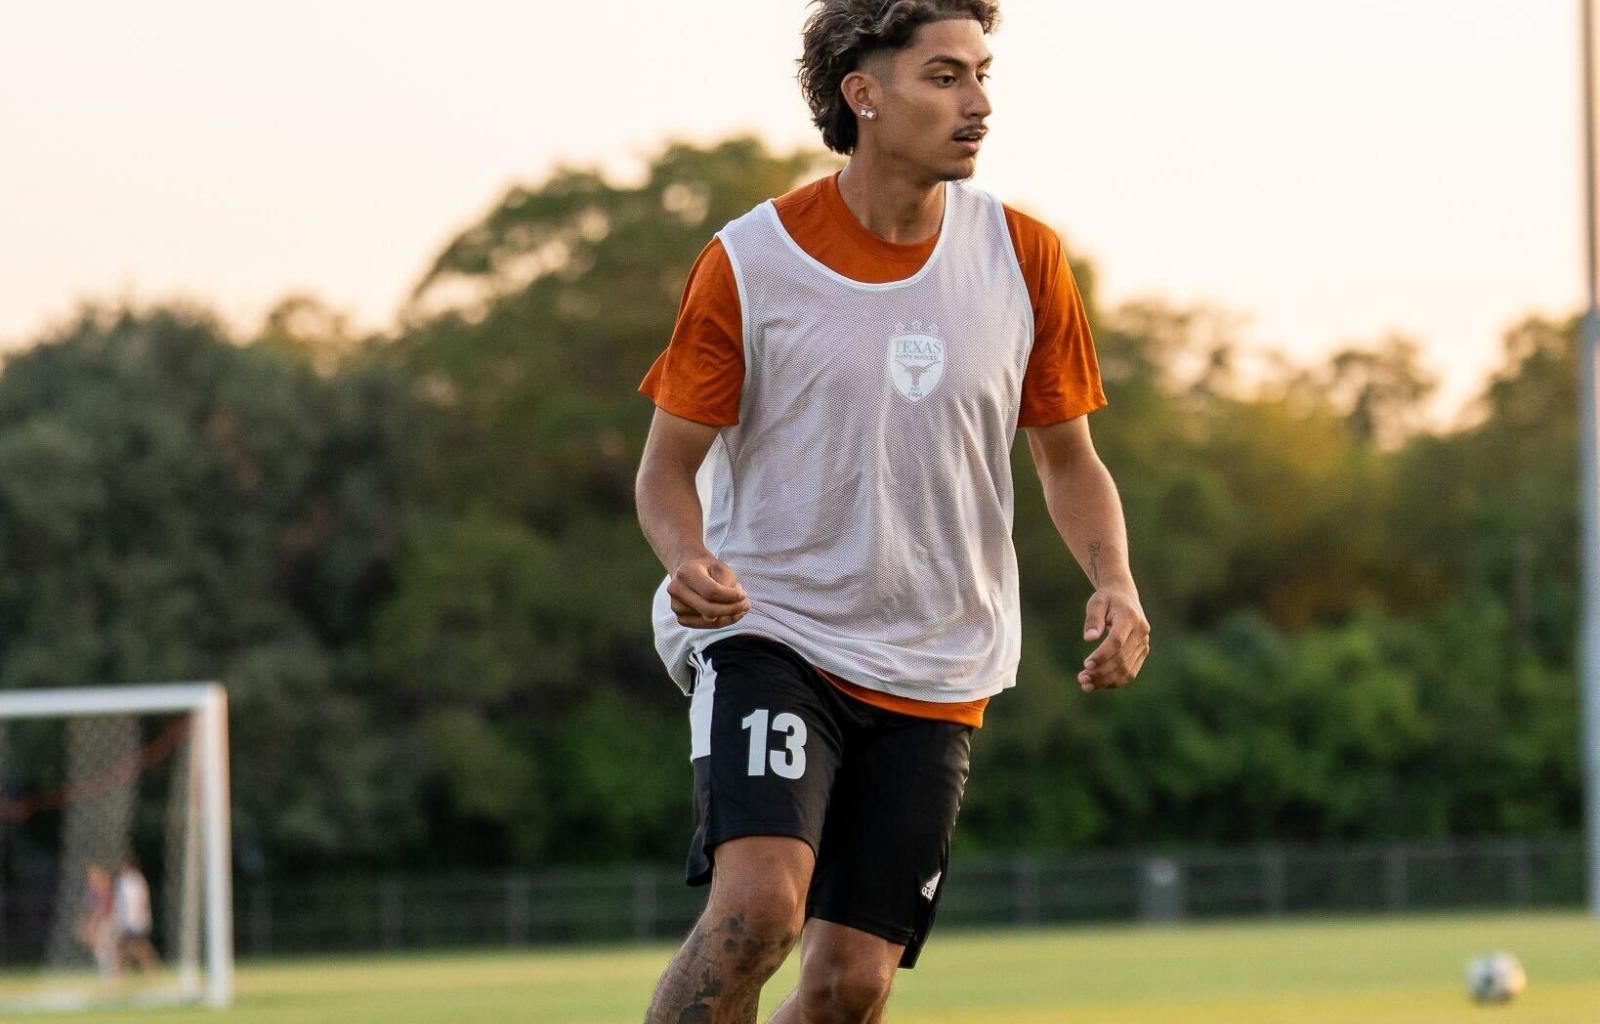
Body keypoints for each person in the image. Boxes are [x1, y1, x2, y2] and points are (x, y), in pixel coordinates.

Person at [634, 1, 1150, 1021]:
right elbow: (664, 470)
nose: (979, 103)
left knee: (851, 983)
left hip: (936, 658)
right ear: (863, 95)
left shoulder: (1025, 258)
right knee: (759, 907)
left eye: (983, 74)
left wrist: (1115, 579)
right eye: (945, 76)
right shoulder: (751, 259)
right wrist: (685, 556)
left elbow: (1069, 458)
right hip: (773, 627)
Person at [114, 855, 159, 973]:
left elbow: (141, 899)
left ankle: (151, 967)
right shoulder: (122, 881)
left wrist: (140, 916)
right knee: (124, 946)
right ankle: (120, 972)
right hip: (125, 920)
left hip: (135, 920)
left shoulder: (136, 880)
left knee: (139, 946)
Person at [75, 862, 117, 979]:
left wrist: (92, 925)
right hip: (98, 922)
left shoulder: (103, 888)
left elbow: (101, 910)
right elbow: (88, 910)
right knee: (100, 949)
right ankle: (108, 974)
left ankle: (111, 974)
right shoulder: (91, 890)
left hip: (105, 922)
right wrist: (85, 924)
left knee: (105, 948)